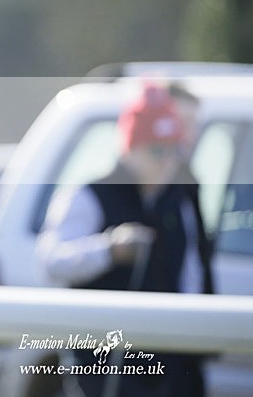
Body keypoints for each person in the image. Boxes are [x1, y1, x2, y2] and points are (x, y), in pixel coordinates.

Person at [37, 82, 213, 397]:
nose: (166, 161)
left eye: (174, 149)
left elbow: (192, 277)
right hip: (102, 363)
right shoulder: (89, 195)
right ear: (130, 147)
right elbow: (51, 260)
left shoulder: (178, 200)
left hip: (165, 359)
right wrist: (108, 249)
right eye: (157, 149)